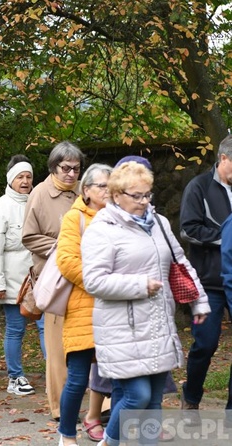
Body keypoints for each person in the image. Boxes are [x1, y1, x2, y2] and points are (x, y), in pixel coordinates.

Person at [81, 161, 210, 446]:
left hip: (157, 321)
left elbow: (181, 263)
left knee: (153, 399)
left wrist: (199, 301)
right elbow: (94, 281)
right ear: (116, 195)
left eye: (147, 194)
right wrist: (140, 286)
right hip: (121, 328)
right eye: (136, 195)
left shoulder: (159, 224)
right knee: (136, 396)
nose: (144, 201)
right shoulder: (102, 229)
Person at [22, 141, 83, 419]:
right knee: (57, 347)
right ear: (53, 167)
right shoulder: (39, 193)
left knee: (89, 342)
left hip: (84, 278)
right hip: (54, 278)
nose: (71, 174)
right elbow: (29, 237)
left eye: (76, 168)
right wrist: (61, 248)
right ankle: (59, 406)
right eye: (66, 168)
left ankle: (99, 404)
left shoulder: (86, 190)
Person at [55, 163, 112, 446]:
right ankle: (66, 434)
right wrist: (101, 283)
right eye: (102, 185)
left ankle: (113, 434)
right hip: (83, 308)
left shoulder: (120, 217)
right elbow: (66, 261)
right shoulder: (74, 218)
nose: (107, 191)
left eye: (111, 186)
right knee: (77, 378)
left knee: (119, 378)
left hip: (116, 310)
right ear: (86, 190)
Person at [179, 134, 232, 423]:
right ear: (223, 158)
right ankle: (192, 396)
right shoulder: (197, 187)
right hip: (209, 282)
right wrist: (227, 239)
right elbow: (188, 230)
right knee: (206, 344)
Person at [0, 155, 44, 397]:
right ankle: (15, 376)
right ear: (11, 180)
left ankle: (56, 372)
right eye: (20, 177)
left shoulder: (38, 203)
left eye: (29, 176)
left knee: (45, 327)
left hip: (41, 279)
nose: (26, 181)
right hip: (13, 281)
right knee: (16, 328)